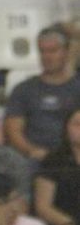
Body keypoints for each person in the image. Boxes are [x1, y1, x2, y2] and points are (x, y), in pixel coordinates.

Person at [4, 25, 80, 163]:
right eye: (42, 51)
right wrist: (32, 151)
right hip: (34, 160)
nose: (47, 57)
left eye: (53, 51)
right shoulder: (23, 90)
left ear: (66, 51)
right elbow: (13, 131)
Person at [34, 108, 80, 225]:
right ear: (67, 128)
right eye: (77, 124)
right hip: (62, 223)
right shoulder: (53, 161)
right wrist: (68, 224)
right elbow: (43, 207)